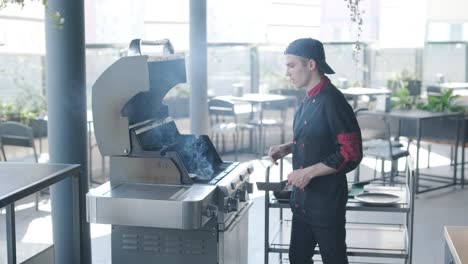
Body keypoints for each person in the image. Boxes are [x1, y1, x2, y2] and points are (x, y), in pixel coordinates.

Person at [268, 38, 363, 264]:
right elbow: (319, 139)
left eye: (291, 65)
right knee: (298, 259)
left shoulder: (333, 101)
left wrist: (308, 172)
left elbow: (351, 153)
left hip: (326, 204)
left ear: (310, 65)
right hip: (302, 202)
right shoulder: (308, 99)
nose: (288, 72)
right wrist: (287, 148)